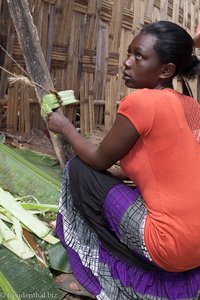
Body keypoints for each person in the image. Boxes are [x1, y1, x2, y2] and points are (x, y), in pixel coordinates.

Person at [47, 20, 200, 299]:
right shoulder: (192, 106)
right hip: (196, 247)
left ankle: (93, 270)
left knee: (79, 170)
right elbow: (168, 169)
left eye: (139, 56)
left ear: (166, 70)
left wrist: (66, 128)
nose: (127, 63)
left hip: (168, 246)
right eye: (129, 53)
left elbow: (97, 160)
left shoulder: (141, 102)